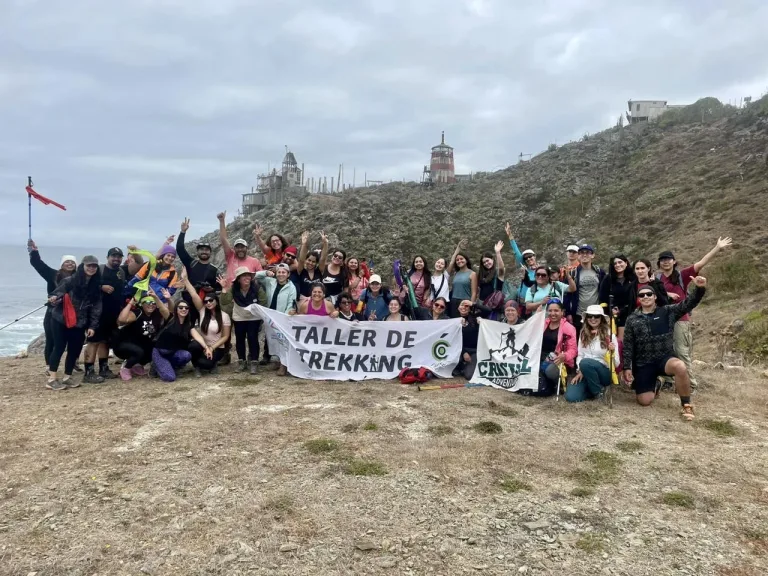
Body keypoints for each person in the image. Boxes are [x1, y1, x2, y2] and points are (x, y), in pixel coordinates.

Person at [622, 276, 708, 421]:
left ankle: (686, 405)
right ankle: (657, 383)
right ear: (638, 299)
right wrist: (627, 367)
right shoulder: (632, 319)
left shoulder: (668, 311)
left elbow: (688, 304)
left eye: (649, 294)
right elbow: (628, 344)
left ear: (655, 297)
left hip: (665, 359)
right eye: (642, 295)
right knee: (644, 401)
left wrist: (699, 289)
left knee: (680, 366)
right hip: (643, 363)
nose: (646, 297)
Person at [656, 237, 732, 390]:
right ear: (659, 263)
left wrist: (717, 248)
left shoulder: (682, 275)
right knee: (664, 350)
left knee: (681, 352)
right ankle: (669, 381)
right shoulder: (657, 278)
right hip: (663, 319)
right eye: (662, 260)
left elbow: (702, 262)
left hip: (680, 319)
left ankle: (690, 385)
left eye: (668, 259)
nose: (665, 262)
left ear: (674, 261)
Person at [46, 256, 103, 390]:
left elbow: (96, 307)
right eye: (88, 265)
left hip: (79, 322)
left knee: (74, 349)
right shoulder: (70, 280)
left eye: (94, 266)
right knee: (59, 347)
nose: (91, 268)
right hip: (61, 318)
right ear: (82, 266)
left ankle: (67, 377)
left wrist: (92, 326)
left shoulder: (96, 285)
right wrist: (53, 299)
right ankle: (52, 379)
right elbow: (56, 294)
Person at [27, 240, 77, 367]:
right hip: (53, 313)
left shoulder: (79, 278)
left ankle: (73, 363)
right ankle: (49, 365)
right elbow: (38, 264)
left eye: (72, 262)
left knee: (73, 340)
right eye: (67, 261)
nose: (70, 264)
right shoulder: (53, 274)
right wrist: (34, 252)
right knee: (51, 339)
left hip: (72, 313)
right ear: (62, 264)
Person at [83, 247, 126, 380]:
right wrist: (101, 287)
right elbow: (86, 285)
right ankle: (89, 372)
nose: (116, 259)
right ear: (107, 257)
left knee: (106, 341)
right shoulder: (99, 270)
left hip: (112, 314)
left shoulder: (121, 272)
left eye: (119, 256)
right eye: (113, 256)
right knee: (93, 341)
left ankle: (103, 368)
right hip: (97, 313)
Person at [181, 270, 231, 376]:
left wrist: (212, 348)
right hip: (203, 345)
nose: (208, 303)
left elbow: (225, 336)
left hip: (217, 347)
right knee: (192, 346)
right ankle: (197, 367)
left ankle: (210, 364)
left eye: (211, 300)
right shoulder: (202, 311)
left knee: (205, 363)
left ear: (216, 301)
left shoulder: (224, 316)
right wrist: (185, 279)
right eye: (205, 301)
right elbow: (194, 294)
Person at [566, 305, 619, 403]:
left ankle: (598, 393)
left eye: (596, 316)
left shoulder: (610, 335)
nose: (593, 319)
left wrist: (612, 351)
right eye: (590, 316)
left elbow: (616, 363)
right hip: (585, 370)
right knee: (571, 397)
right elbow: (580, 355)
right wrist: (580, 370)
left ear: (601, 318)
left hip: (604, 372)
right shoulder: (583, 334)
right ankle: (596, 390)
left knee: (586, 363)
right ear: (586, 318)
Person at [113, 289, 170, 380]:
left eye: (153, 303)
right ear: (142, 304)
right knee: (138, 352)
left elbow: (168, 314)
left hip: (141, 344)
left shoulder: (157, 314)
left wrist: (156, 297)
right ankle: (126, 368)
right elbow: (121, 320)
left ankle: (137, 365)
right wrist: (131, 302)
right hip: (123, 344)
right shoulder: (138, 313)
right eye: (147, 302)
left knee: (155, 349)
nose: (151, 304)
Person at [253, 264, 298, 376]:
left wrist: (283, 317)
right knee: (271, 339)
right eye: (279, 272)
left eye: (284, 272)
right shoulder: (270, 282)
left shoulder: (292, 287)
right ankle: (277, 360)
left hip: (281, 318)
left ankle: (283, 364)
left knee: (283, 341)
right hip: (269, 317)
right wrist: (266, 273)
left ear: (288, 274)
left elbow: (291, 304)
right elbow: (255, 276)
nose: (281, 274)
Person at [151, 300, 208, 383]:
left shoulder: (188, 324)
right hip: (160, 352)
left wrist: (206, 348)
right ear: (176, 309)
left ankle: (170, 366)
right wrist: (155, 297)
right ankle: (156, 366)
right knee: (170, 378)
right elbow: (161, 307)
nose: (184, 309)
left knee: (187, 355)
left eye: (186, 308)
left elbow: (198, 337)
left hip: (172, 353)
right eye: (180, 307)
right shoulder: (170, 318)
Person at [176, 218, 221, 322]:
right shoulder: (191, 263)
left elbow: (218, 289)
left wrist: (210, 290)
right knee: (187, 328)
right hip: (188, 304)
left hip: (206, 304)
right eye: (201, 249)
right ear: (197, 252)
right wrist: (183, 232)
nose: (204, 252)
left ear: (210, 253)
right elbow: (180, 249)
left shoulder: (215, 270)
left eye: (206, 250)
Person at [533, 300, 577, 397]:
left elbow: (573, 350)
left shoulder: (569, 328)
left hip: (559, 360)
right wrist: (537, 316)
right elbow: (531, 331)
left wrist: (564, 356)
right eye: (550, 311)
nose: (553, 313)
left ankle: (559, 383)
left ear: (562, 312)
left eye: (556, 311)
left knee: (549, 371)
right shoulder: (544, 323)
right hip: (541, 357)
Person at [224, 267, 262, 375]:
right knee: (239, 338)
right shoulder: (233, 288)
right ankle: (242, 361)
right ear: (238, 279)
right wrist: (224, 288)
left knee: (252, 338)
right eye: (243, 275)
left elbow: (263, 301)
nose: (247, 277)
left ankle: (254, 362)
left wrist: (261, 314)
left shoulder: (257, 287)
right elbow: (225, 301)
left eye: (248, 275)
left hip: (254, 316)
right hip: (239, 316)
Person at [564, 244, 605, 335]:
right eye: (581, 253)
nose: (584, 255)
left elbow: (604, 290)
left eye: (588, 253)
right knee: (580, 340)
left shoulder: (599, 272)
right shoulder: (572, 273)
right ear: (578, 256)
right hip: (579, 313)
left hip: (596, 312)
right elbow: (567, 294)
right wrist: (568, 312)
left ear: (593, 255)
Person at [217, 211, 263, 285]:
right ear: (234, 249)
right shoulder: (230, 256)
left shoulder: (255, 261)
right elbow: (224, 240)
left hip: (247, 292)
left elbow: (261, 277)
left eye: (242, 247)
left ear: (247, 248)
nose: (240, 249)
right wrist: (222, 221)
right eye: (237, 247)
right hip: (230, 292)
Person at [598, 254, 636, 340]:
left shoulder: (633, 277)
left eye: (620, 262)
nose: (618, 265)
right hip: (614, 316)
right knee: (617, 341)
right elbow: (602, 298)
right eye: (615, 263)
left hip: (631, 313)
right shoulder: (608, 279)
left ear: (626, 263)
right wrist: (608, 311)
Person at [454, 300, 491, 379]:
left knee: (469, 376)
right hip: (460, 350)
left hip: (474, 350)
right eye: (462, 305)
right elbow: (453, 340)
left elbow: (488, 311)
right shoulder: (453, 319)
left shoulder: (475, 318)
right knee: (452, 370)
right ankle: (461, 365)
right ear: (458, 307)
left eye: (467, 306)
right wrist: (464, 352)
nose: (464, 307)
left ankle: (465, 367)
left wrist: (473, 304)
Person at [505, 222, 537, 305]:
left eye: (530, 256)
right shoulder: (525, 269)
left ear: (534, 256)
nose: (529, 259)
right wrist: (510, 235)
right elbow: (516, 251)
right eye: (526, 258)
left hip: (533, 301)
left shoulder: (542, 271)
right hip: (521, 299)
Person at [447, 240, 477, 317]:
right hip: (453, 301)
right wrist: (458, 247)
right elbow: (452, 260)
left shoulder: (472, 274)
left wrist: (471, 305)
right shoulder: (455, 273)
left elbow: (474, 293)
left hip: (465, 302)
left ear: (466, 260)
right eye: (457, 260)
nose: (459, 261)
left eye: (461, 259)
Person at [296, 231, 328, 300]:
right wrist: (304, 244)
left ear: (316, 263)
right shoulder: (301, 271)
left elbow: (323, 259)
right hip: (303, 299)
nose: (310, 263)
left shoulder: (319, 271)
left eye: (313, 262)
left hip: (317, 299)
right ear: (306, 260)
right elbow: (301, 260)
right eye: (309, 260)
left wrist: (325, 243)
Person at [477, 241, 506, 308]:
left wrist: (497, 253)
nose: (486, 263)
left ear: (492, 259)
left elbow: (501, 269)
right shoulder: (482, 275)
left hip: (494, 304)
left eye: (487, 261)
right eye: (484, 262)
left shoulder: (497, 273)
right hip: (482, 304)